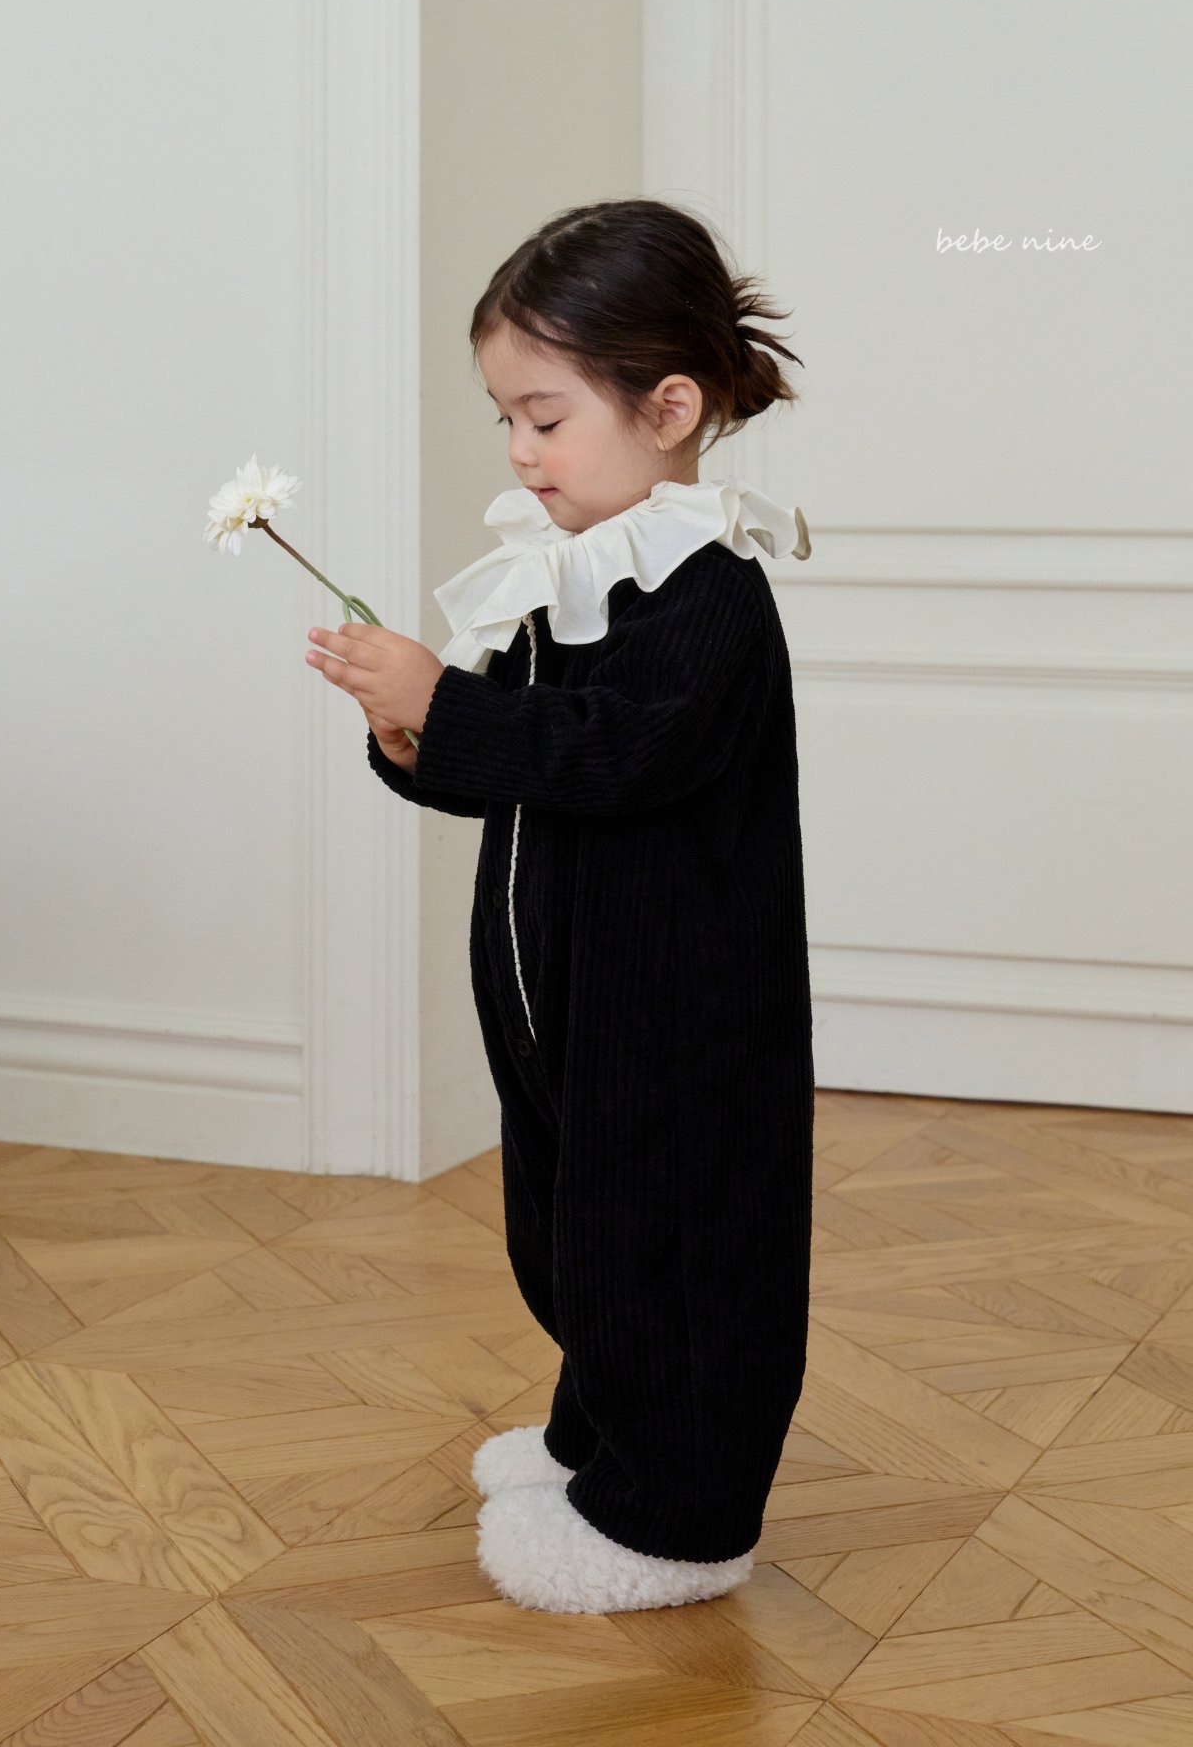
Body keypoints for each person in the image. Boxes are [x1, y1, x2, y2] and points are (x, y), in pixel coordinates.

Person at [304, 197, 816, 1615]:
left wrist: (450, 700)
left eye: (545, 418)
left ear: (669, 408)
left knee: (672, 1243)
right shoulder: (579, 581)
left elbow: (621, 755)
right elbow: (536, 769)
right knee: (580, 1230)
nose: (521, 452)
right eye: (506, 422)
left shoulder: (707, 594)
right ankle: (599, 1440)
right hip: (570, 1004)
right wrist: (418, 737)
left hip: (677, 1012)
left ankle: (678, 1517)